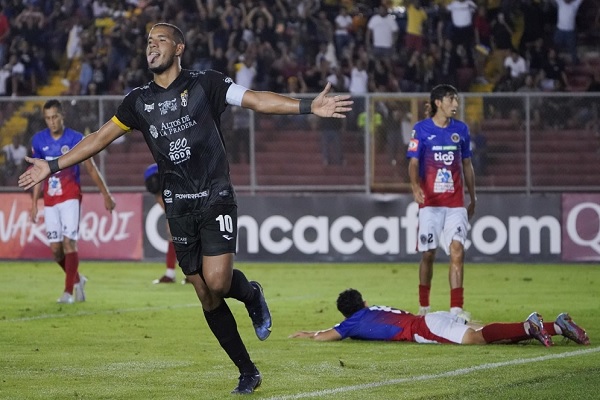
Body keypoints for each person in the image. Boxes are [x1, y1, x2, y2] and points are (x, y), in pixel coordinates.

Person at [18, 23, 352, 395]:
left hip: (214, 194)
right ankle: (247, 371)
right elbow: (98, 138)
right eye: (148, 41)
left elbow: (257, 99)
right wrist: (53, 165)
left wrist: (309, 106)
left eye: (160, 40)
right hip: (178, 205)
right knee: (205, 293)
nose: (151, 46)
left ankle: (251, 294)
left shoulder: (206, 83)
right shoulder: (138, 101)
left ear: (178, 48)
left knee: (220, 282)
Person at [29, 99, 116, 304]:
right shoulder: (38, 141)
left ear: (62, 116)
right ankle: (78, 279)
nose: (51, 122)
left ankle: (68, 292)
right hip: (50, 200)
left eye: (55, 117)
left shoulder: (76, 139)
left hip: (70, 197)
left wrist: (106, 194)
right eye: (48, 118)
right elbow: (37, 173)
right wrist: (34, 203)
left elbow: (91, 169)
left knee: (69, 243)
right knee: (55, 250)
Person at [289, 288, 591, 347]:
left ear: (347, 313)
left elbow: (331, 334)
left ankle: (528, 325)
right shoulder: (372, 309)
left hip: (427, 327)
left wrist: (309, 334)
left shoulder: (351, 322)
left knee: (476, 338)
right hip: (435, 317)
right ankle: (557, 325)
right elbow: (343, 327)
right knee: (486, 330)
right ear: (365, 302)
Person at [406, 84, 476, 320]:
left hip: (455, 204)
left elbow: (467, 164)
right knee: (428, 254)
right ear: (438, 102)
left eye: (456, 100)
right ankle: (424, 306)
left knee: (457, 251)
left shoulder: (462, 130)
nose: (455, 104)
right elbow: (413, 163)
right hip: (431, 205)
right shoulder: (421, 130)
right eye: (451, 100)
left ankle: (456, 310)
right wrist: (415, 187)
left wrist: (473, 196)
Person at [144, 163, 181, 284]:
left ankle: (174, 274)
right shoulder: (163, 191)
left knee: (179, 238)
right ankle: (174, 274)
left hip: (183, 211)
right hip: (179, 212)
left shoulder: (169, 189)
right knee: (176, 237)